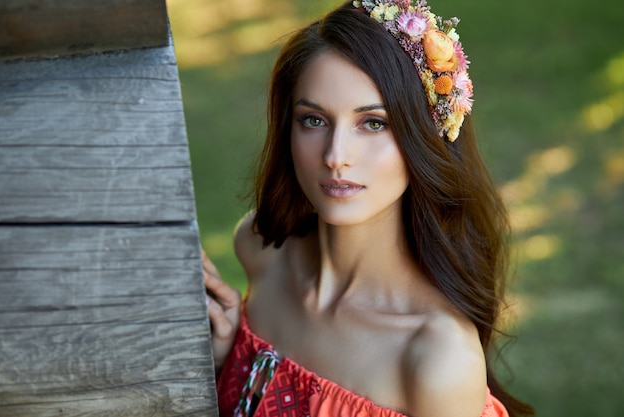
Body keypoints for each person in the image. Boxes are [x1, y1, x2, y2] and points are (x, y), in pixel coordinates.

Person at [203, 1, 534, 416]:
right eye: (313, 120)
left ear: (424, 137)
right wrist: (224, 361)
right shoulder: (261, 251)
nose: (336, 156)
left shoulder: (436, 357)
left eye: (373, 123)